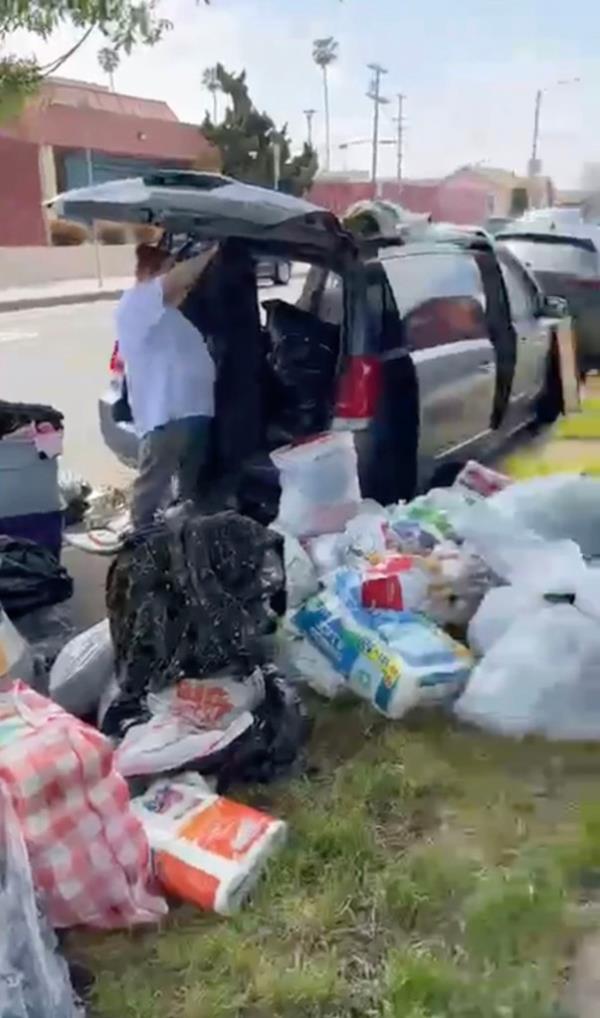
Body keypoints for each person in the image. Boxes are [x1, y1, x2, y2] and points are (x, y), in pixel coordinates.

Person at [116, 241, 218, 528]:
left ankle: (180, 545)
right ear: (152, 274)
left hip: (192, 415)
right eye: (168, 269)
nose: (186, 288)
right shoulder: (136, 304)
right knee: (151, 491)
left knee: (187, 498)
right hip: (168, 417)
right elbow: (180, 279)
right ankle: (140, 549)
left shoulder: (169, 314)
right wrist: (213, 252)